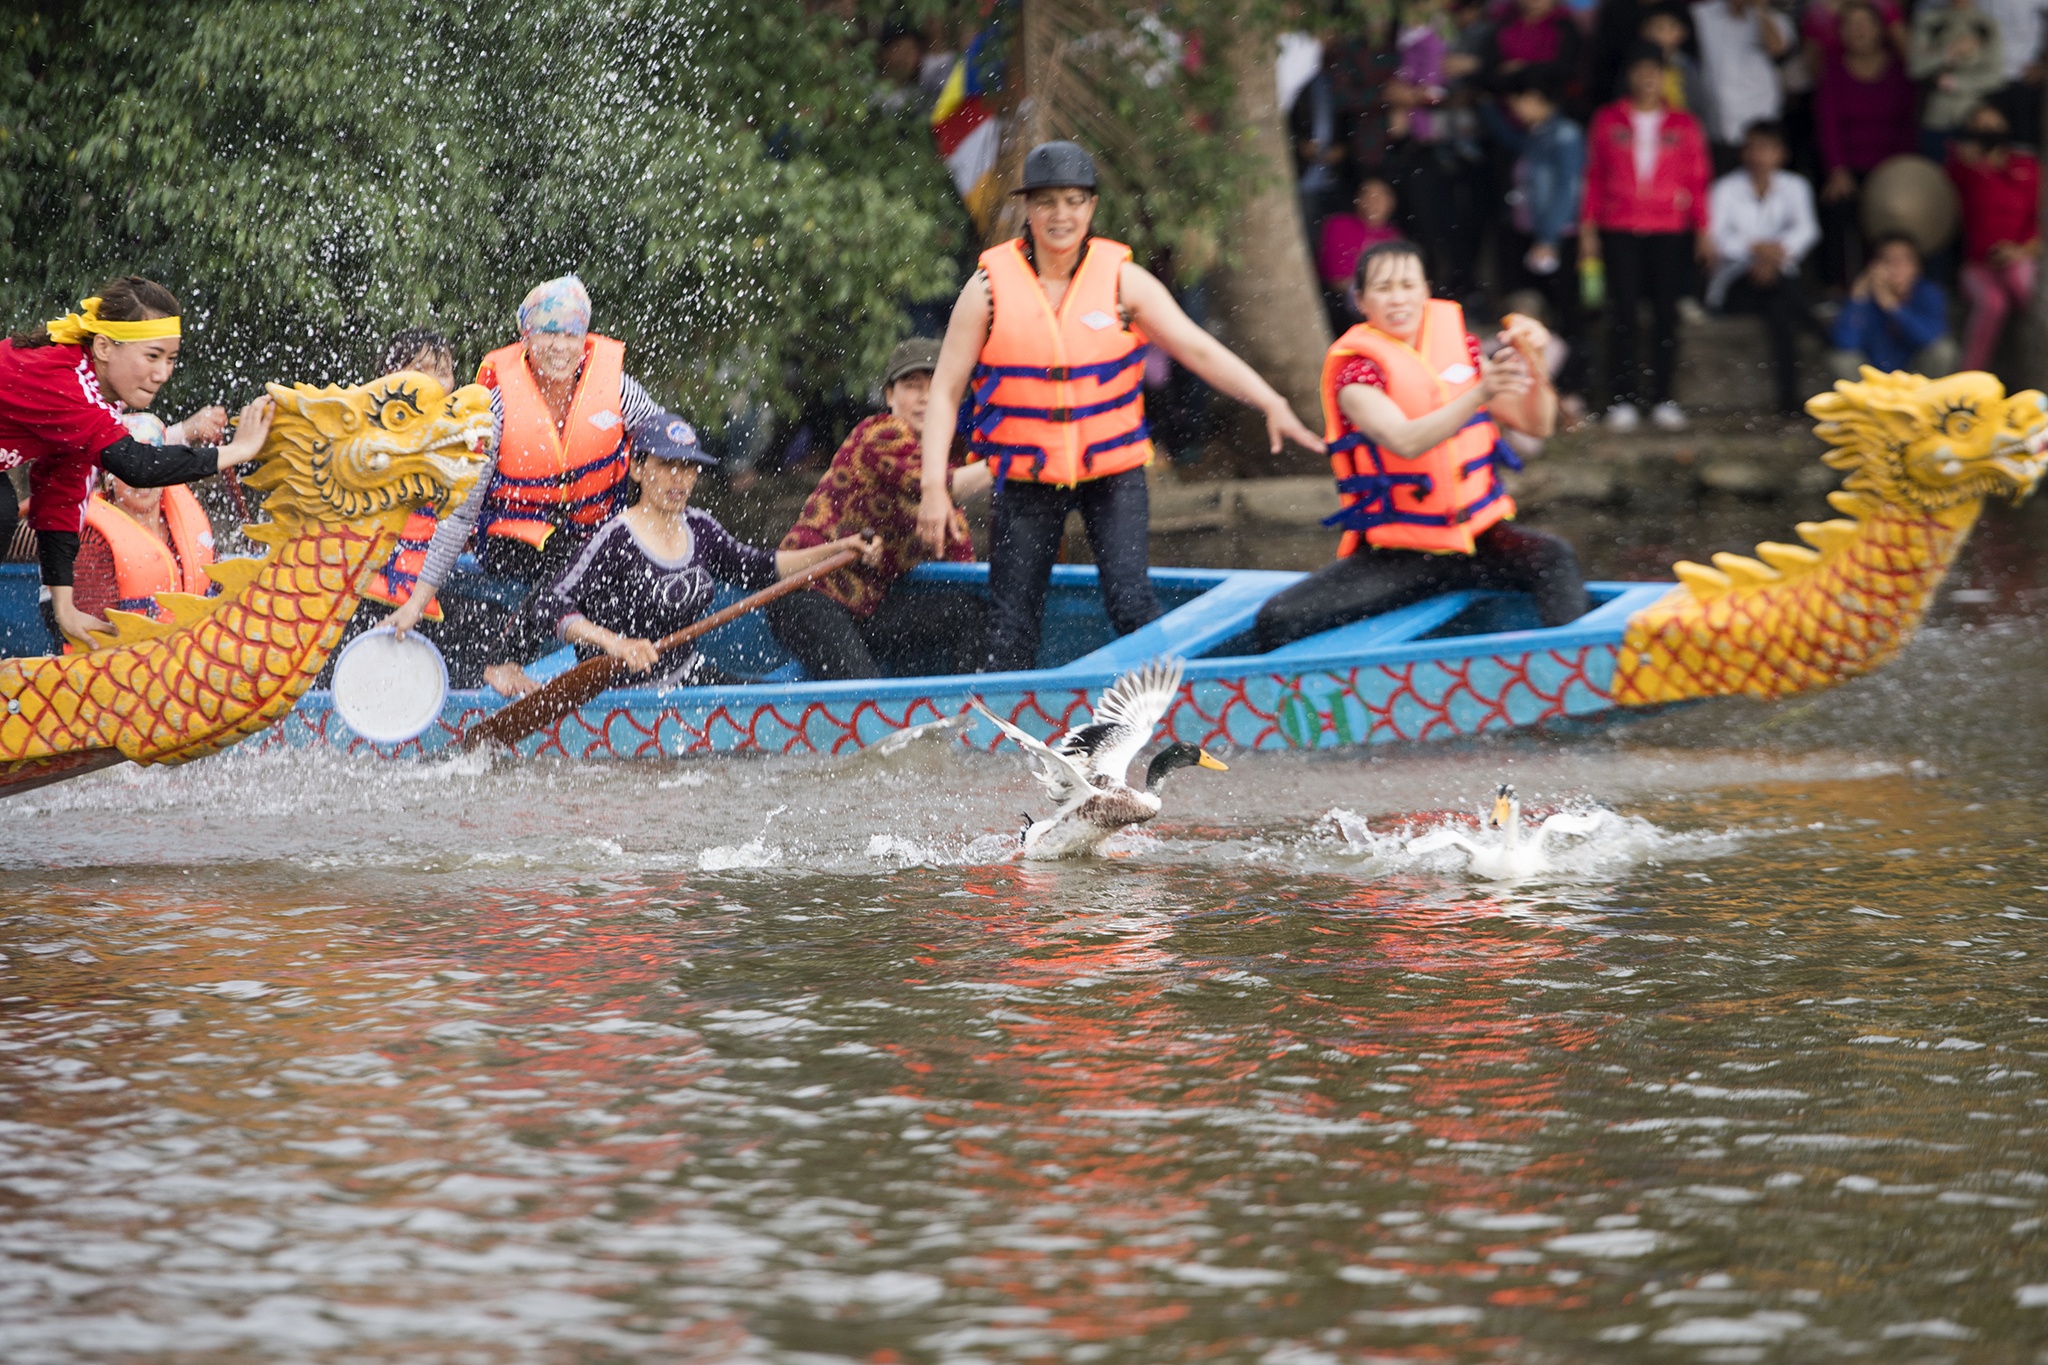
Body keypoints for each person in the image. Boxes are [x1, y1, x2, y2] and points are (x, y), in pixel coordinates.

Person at [916, 141, 1322, 673]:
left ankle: (1171, 708)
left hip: (1112, 475)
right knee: (1010, 626)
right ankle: (1000, 720)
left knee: (1132, 605)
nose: (1061, 215)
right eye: (1047, 202)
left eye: (1073, 201)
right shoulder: (987, 289)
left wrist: (1270, 400)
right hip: (1025, 478)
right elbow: (946, 390)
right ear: (1027, 209)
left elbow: (1196, 349)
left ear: (1091, 207)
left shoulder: (1123, 281)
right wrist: (933, 488)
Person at [1252, 240, 1586, 652]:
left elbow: (1537, 423)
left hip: (1478, 542)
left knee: (1553, 556)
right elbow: (1406, 441)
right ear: (1360, 301)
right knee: (1278, 619)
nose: (1398, 299)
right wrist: (1480, 393)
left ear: (1425, 291)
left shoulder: (1460, 350)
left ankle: (1568, 667)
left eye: (1408, 285)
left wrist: (1533, 359)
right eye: (1384, 288)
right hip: (1401, 554)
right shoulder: (1357, 373)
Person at [494, 414, 881, 696]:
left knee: (774, 704)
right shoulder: (615, 538)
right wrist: (616, 644)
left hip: (685, 677)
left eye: (688, 468)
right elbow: (549, 604)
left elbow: (759, 568)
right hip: (621, 692)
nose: (679, 479)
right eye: (666, 466)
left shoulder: (700, 527)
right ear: (638, 469)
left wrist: (839, 549)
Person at [384, 276, 660, 662]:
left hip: (592, 536)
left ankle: (609, 665)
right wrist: (417, 604)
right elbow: (461, 514)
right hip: (510, 541)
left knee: (617, 561)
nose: (560, 346)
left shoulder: (619, 391)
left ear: (585, 339)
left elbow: (669, 449)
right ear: (526, 338)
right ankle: (505, 661)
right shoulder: (497, 408)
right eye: (548, 333)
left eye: (571, 334)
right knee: (577, 557)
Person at [0, 278, 272, 645]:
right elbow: (137, 466)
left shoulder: (96, 399)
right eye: (152, 356)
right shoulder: (64, 380)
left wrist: (65, 608)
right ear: (104, 347)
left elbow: (60, 495)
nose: (162, 374)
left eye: (171, 359)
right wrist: (238, 451)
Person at [766, 338, 994, 680]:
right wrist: (1008, 463)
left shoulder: (947, 460)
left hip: (865, 610)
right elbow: (937, 485)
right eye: (912, 386)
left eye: (936, 386)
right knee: (864, 691)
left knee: (970, 611)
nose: (925, 397)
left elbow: (960, 555)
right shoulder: (882, 433)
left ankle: (969, 704)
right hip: (806, 595)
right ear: (889, 395)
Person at [1583, 45, 1713, 432]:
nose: (1647, 78)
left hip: (1669, 227)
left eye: (1653, 71)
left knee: (1665, 314)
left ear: (1664, 76)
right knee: (1622, 312)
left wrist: (1703, 228)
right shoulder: (1608, 119)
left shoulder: (1683, 123)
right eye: (1639, 70)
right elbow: (1593, 176)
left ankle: (1663, 397)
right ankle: (1621, 398)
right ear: (1630, 76)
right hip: (1619, 225)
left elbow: (1697, 179)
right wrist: (1588, 228)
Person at [1706, 121, 1819, 413]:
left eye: (1766, 148)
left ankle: (1788, 399)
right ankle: (1819, 330)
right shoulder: (1725, 188)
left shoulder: (1796, 186)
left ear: (1781, 154)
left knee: (1779, 310)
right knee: (1782, 299)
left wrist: (1770, 258)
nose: (1758, 155)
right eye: (1752, 148)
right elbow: (1715, 238)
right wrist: (1755, 249)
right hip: (1736, 282)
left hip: (1778, 279)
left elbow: (1807, 230)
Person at [68, 413, 217, 625]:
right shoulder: (94, 543)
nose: (143, 477)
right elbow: (93, 633)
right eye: (130, 468)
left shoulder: (187, 524)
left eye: (153, 464)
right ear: (109, 477)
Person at [1814, 1, 1920, 287]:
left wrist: (1899, 171)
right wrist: (1837, 170)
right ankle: (1839, 288)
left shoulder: (1899, 70)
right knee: (1836, 208)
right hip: (1849, 168)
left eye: (1864, 24)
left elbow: (1907, 124)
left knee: (1895, 214)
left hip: (1891, 169)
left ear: (1879, 29)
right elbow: (1828, 126)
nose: (1858, 31)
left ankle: (1892, 285)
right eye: (1850, 25)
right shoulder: (1834, 72)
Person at [1501, 71, 1588, 407]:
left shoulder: (1565, 133)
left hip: (1556, 237)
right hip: (1531, 233)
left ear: (1536, 98)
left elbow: (1568, 189)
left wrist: (1549, 237)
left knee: (1565, 313)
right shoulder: (1534, 133)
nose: (1514, 108)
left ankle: (1572, 391)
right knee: (1535, 311)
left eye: (1518, 100)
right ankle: (1541, 391)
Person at [1947, 101, 2042, 372]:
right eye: (1980, 126)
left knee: (2023, 284)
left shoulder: (2026, 166)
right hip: (1977, 264)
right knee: (1992, 303)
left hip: (2020, 257)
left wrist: (2020, 251)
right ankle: (1969, 377)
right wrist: (1970, 165)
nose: (1988, 131)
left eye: (1993, 124)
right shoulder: (1963, 169)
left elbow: (2035, 219)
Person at [1827, 234, 1959, 379]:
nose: (1896, 267)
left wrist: (1892, 306)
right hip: (1873, 377)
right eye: (1888, 260)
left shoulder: (1928, 293)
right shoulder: (1866, 297)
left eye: (1903, 260)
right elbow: (1845, 343)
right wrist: (1858, 298)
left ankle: (1931, 394)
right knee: (1842, 360)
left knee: (1944, 350)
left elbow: (1932, 338)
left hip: (1915, 376)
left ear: (1917, 267)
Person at [1690, 0, 1795, 169]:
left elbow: (1778, 49)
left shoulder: (1776, 19)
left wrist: (1760, 9)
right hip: (1717, 127)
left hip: (1760, 122)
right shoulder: (1701, 14)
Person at [1911, 0, 2005, 159]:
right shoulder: (1929, 21)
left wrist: (1956, 82)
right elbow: (1915, 68)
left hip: (1975, 117)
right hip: (1936, 115)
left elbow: (1996, 76)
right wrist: (1948, 53)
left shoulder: (1987, 23)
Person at [1318, 177, 1404, 326]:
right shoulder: (1339, 225)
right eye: (1368, 195)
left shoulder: (1394, 236)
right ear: (1358, 200)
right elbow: (1336, 278)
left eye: (1381, 196)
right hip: (1344, 301)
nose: (1374, 201)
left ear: (1391, 202)